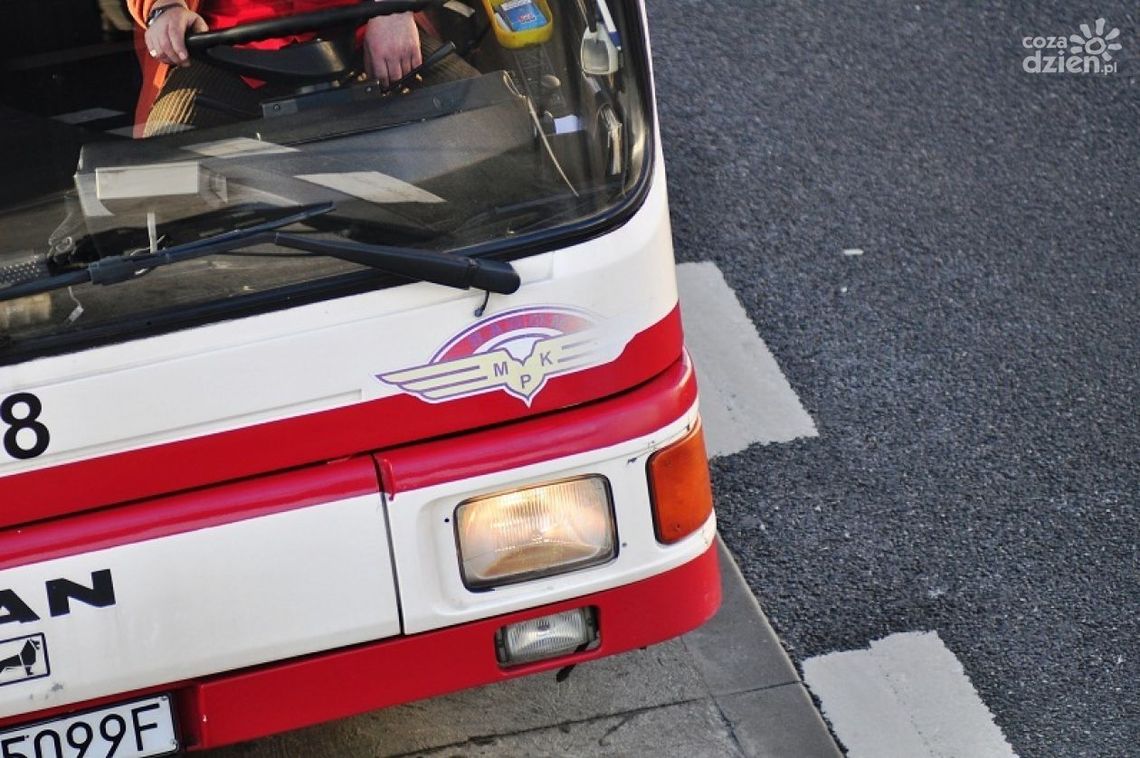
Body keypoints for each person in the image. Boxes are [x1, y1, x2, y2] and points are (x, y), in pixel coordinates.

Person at [127, 0, 424, 136]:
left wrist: (394, 8)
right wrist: (165, 7)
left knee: (468, 119)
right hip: (224, 47)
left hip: (363, 28)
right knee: (164, 167)